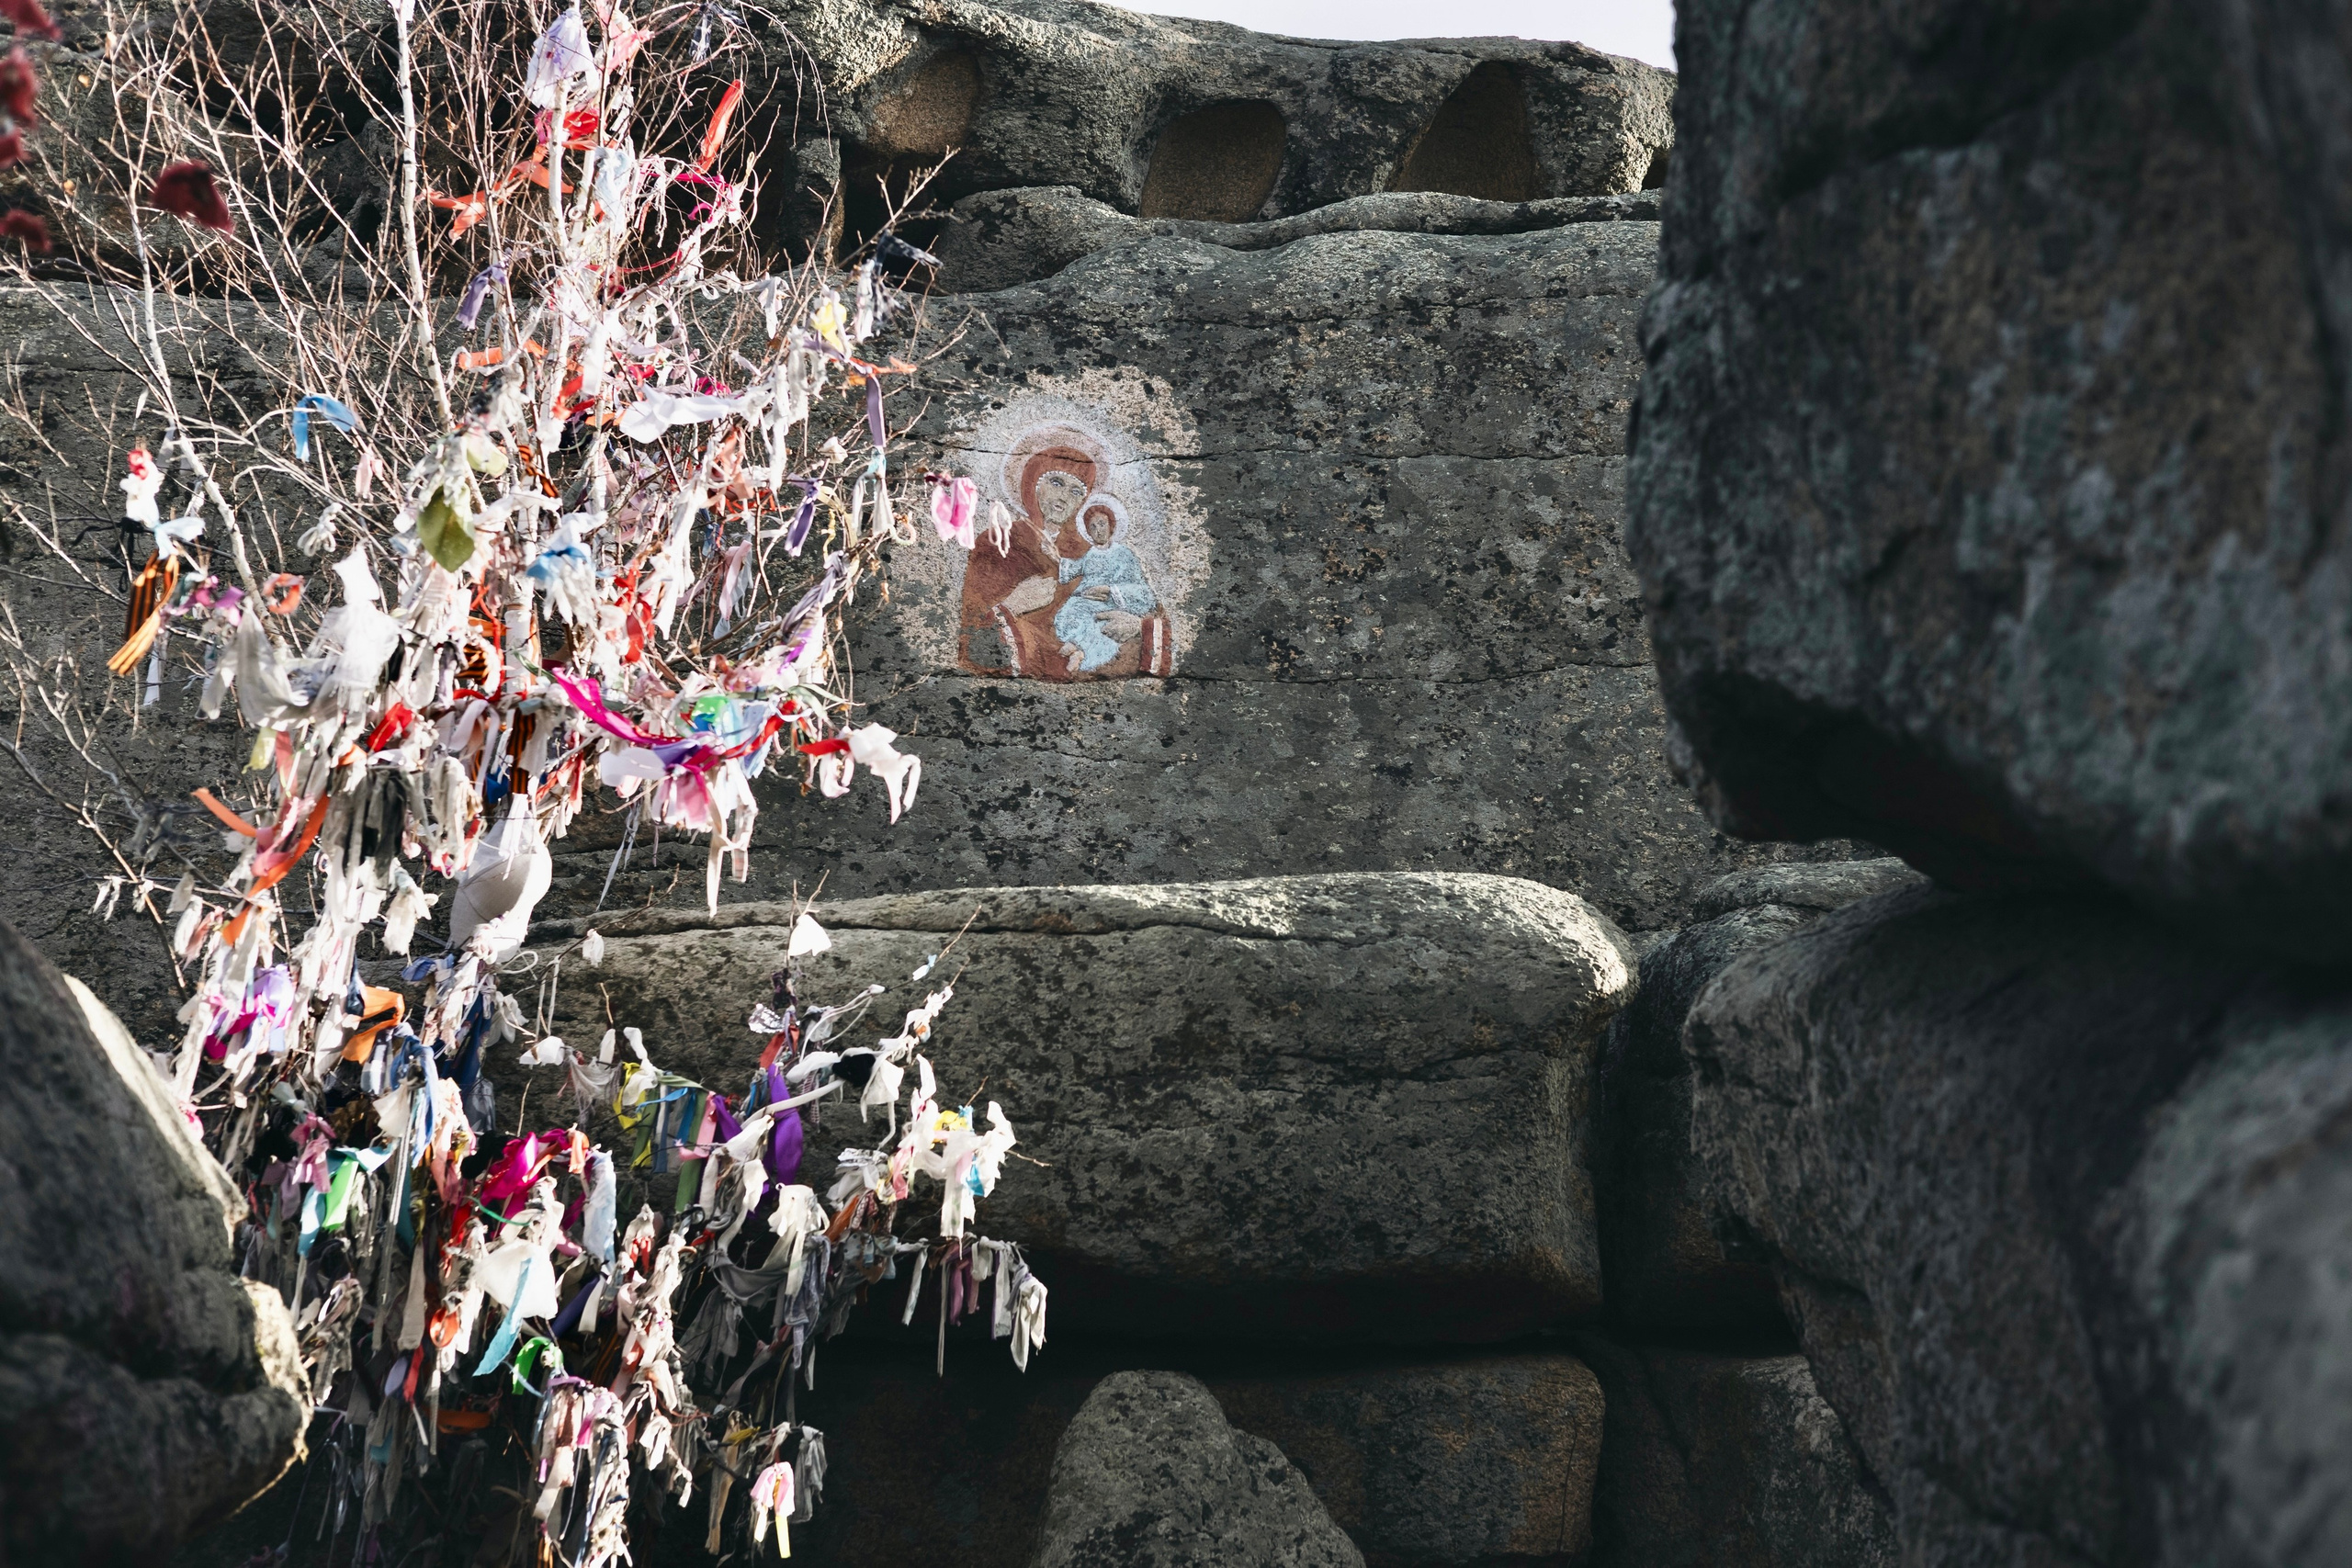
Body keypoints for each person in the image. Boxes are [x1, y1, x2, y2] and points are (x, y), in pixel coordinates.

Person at [1050, 496, 1155, 674]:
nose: (1098, 531)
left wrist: (1109, 590)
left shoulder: (1124, 554)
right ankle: (1075, 644)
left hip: (1109, 604)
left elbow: (1141, 589)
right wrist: (1054, 556)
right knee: (1070, 613)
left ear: (1111, 526)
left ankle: (1082, 653)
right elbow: (1074, 569)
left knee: (1101, 628)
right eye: (1093, 527)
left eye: (1101, 524)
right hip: (1083, 600)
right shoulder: (1091, 554)